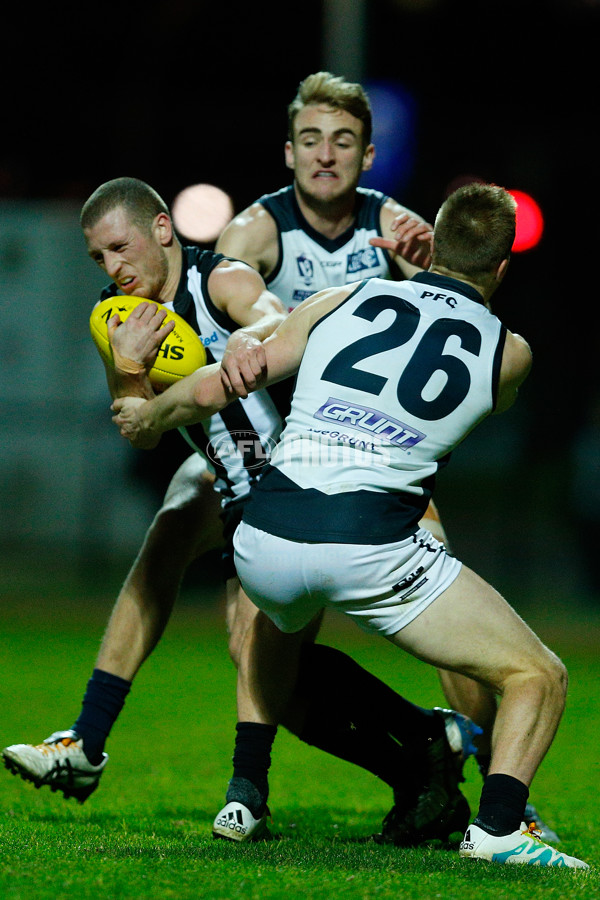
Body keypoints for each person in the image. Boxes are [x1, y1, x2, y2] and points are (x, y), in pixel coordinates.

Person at [110, 182, 588, 868]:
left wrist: (150, 414)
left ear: (436, 242)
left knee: (283, 641)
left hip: (263, 540)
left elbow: (231, 377)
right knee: (537, 674)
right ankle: (501, 826)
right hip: (368, 542)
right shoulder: (511, 352)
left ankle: (252, 786)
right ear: (503, 268)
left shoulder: (346, 298)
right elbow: (485, 395)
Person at [2, 176, 480, 846]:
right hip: (229, 475)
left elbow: (269, 320)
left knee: (259, 646)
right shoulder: (114, 316)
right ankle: (86, 742)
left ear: (162, 229)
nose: (112, 268)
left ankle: (259, 786)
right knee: (168, 544)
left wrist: (246, 341)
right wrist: (130, 370)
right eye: (97, 258)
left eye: (119, 247)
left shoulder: (218, 278)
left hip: (300, 473)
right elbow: (137, 423)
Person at [214, 70, 556, 841]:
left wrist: (213, 359)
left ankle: (255, 781)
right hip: (348, 497)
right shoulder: (264, 228)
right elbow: (233, 279)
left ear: (367, 156)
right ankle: (498, 803)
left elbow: (243, 349)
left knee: (257, 625)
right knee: (506, 651)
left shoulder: (362, 274)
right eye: (311, 141)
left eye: (342, 142)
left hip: (278, 503)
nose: (326, 156)